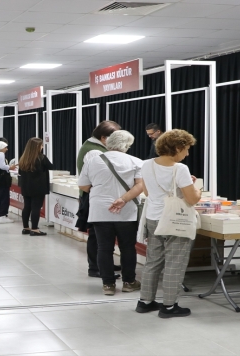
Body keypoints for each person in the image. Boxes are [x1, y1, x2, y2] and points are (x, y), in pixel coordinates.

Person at [136, 129, 201, 318]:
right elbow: (192, 199)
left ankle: (145, 301)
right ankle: (169, 306)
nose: (187, 154)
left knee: (153, 261)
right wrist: (193, 186)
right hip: (175, 219)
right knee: (175, 263)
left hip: (153, 217)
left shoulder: (146, 164)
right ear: (178, 148)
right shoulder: (180, 169)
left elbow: (148, 193)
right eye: (186, 149)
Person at [78, 130, 144, 296]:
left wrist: (101, 190)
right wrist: (123, 198)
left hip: (100, 210)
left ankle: (108, 284)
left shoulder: (93, 161)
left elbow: (83, 186)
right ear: (127, 146)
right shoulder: (136, 161)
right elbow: (140, 186)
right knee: (128, 247)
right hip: (126, 211)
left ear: (108, 142)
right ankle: (129, 282)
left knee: (104, 248)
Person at [76, 120, 122, 279]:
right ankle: (96, 267)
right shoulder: (94, 152)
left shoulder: (92, 147)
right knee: (97, 235)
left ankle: (103, 264)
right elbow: (91, 178)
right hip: (94, 196)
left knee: (99, 234)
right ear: (104, 137)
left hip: (94, 195)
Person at [18, 137, 53, 235]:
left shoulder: (23, 158)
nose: (42, 147)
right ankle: (35, 229)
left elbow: (20, 172)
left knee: (27, 207)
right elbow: (51, 166)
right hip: (38, 187)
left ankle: (26, 228)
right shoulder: (41, 158)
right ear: (37, 147)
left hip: (26, 186)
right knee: (36, 208)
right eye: (41, 146)